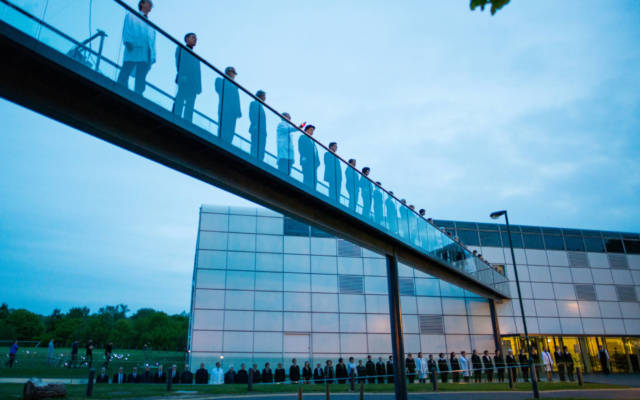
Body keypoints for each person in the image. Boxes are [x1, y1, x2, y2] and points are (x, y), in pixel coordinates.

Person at [117, 0, 156, 94]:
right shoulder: (131, 16)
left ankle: (138, 94)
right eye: (148, 2)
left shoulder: (152, 26)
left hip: (146, 54)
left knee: (141, 76)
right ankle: (120, 89)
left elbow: (153, 42)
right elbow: (126, 29)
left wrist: (153, 56)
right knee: (126, 70)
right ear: (142, 4)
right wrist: (127, 41)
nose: (151, 4)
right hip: (133, 48)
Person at [173, 33, 201, 122]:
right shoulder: (181, 48)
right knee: (180, 98)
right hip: (184, 79)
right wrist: (182, 75)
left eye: (196, 38)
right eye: (193, 37)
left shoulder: (196, 57)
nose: (195, 39)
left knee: (190, 104)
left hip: (193, 84)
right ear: (187, 39)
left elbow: (198, 72)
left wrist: (199, 86)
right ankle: (175, 116)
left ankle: (187, 120)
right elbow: (179, 63)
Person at [215, 66, 241, 144]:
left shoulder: (235, 86)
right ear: (228, 72)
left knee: (231, 130)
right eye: (233, 73)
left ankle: (228, 143)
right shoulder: (220, 81)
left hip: (233, 113)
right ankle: (220, 142)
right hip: (224, 109)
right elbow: (218, 89)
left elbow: (237, 100)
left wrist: (238, 111)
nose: (234, 76)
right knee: (223, 128)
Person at [249, 90, 267, 162]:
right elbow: (252, 115)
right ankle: (254, 159)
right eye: (264, 96)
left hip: (262, 131)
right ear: (260, 96)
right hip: (256, 129)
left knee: (261, 147)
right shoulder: (254, 103)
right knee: (255, 146)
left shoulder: (261, 106)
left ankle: (260, 160)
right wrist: (255, 125)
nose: (265, 98)